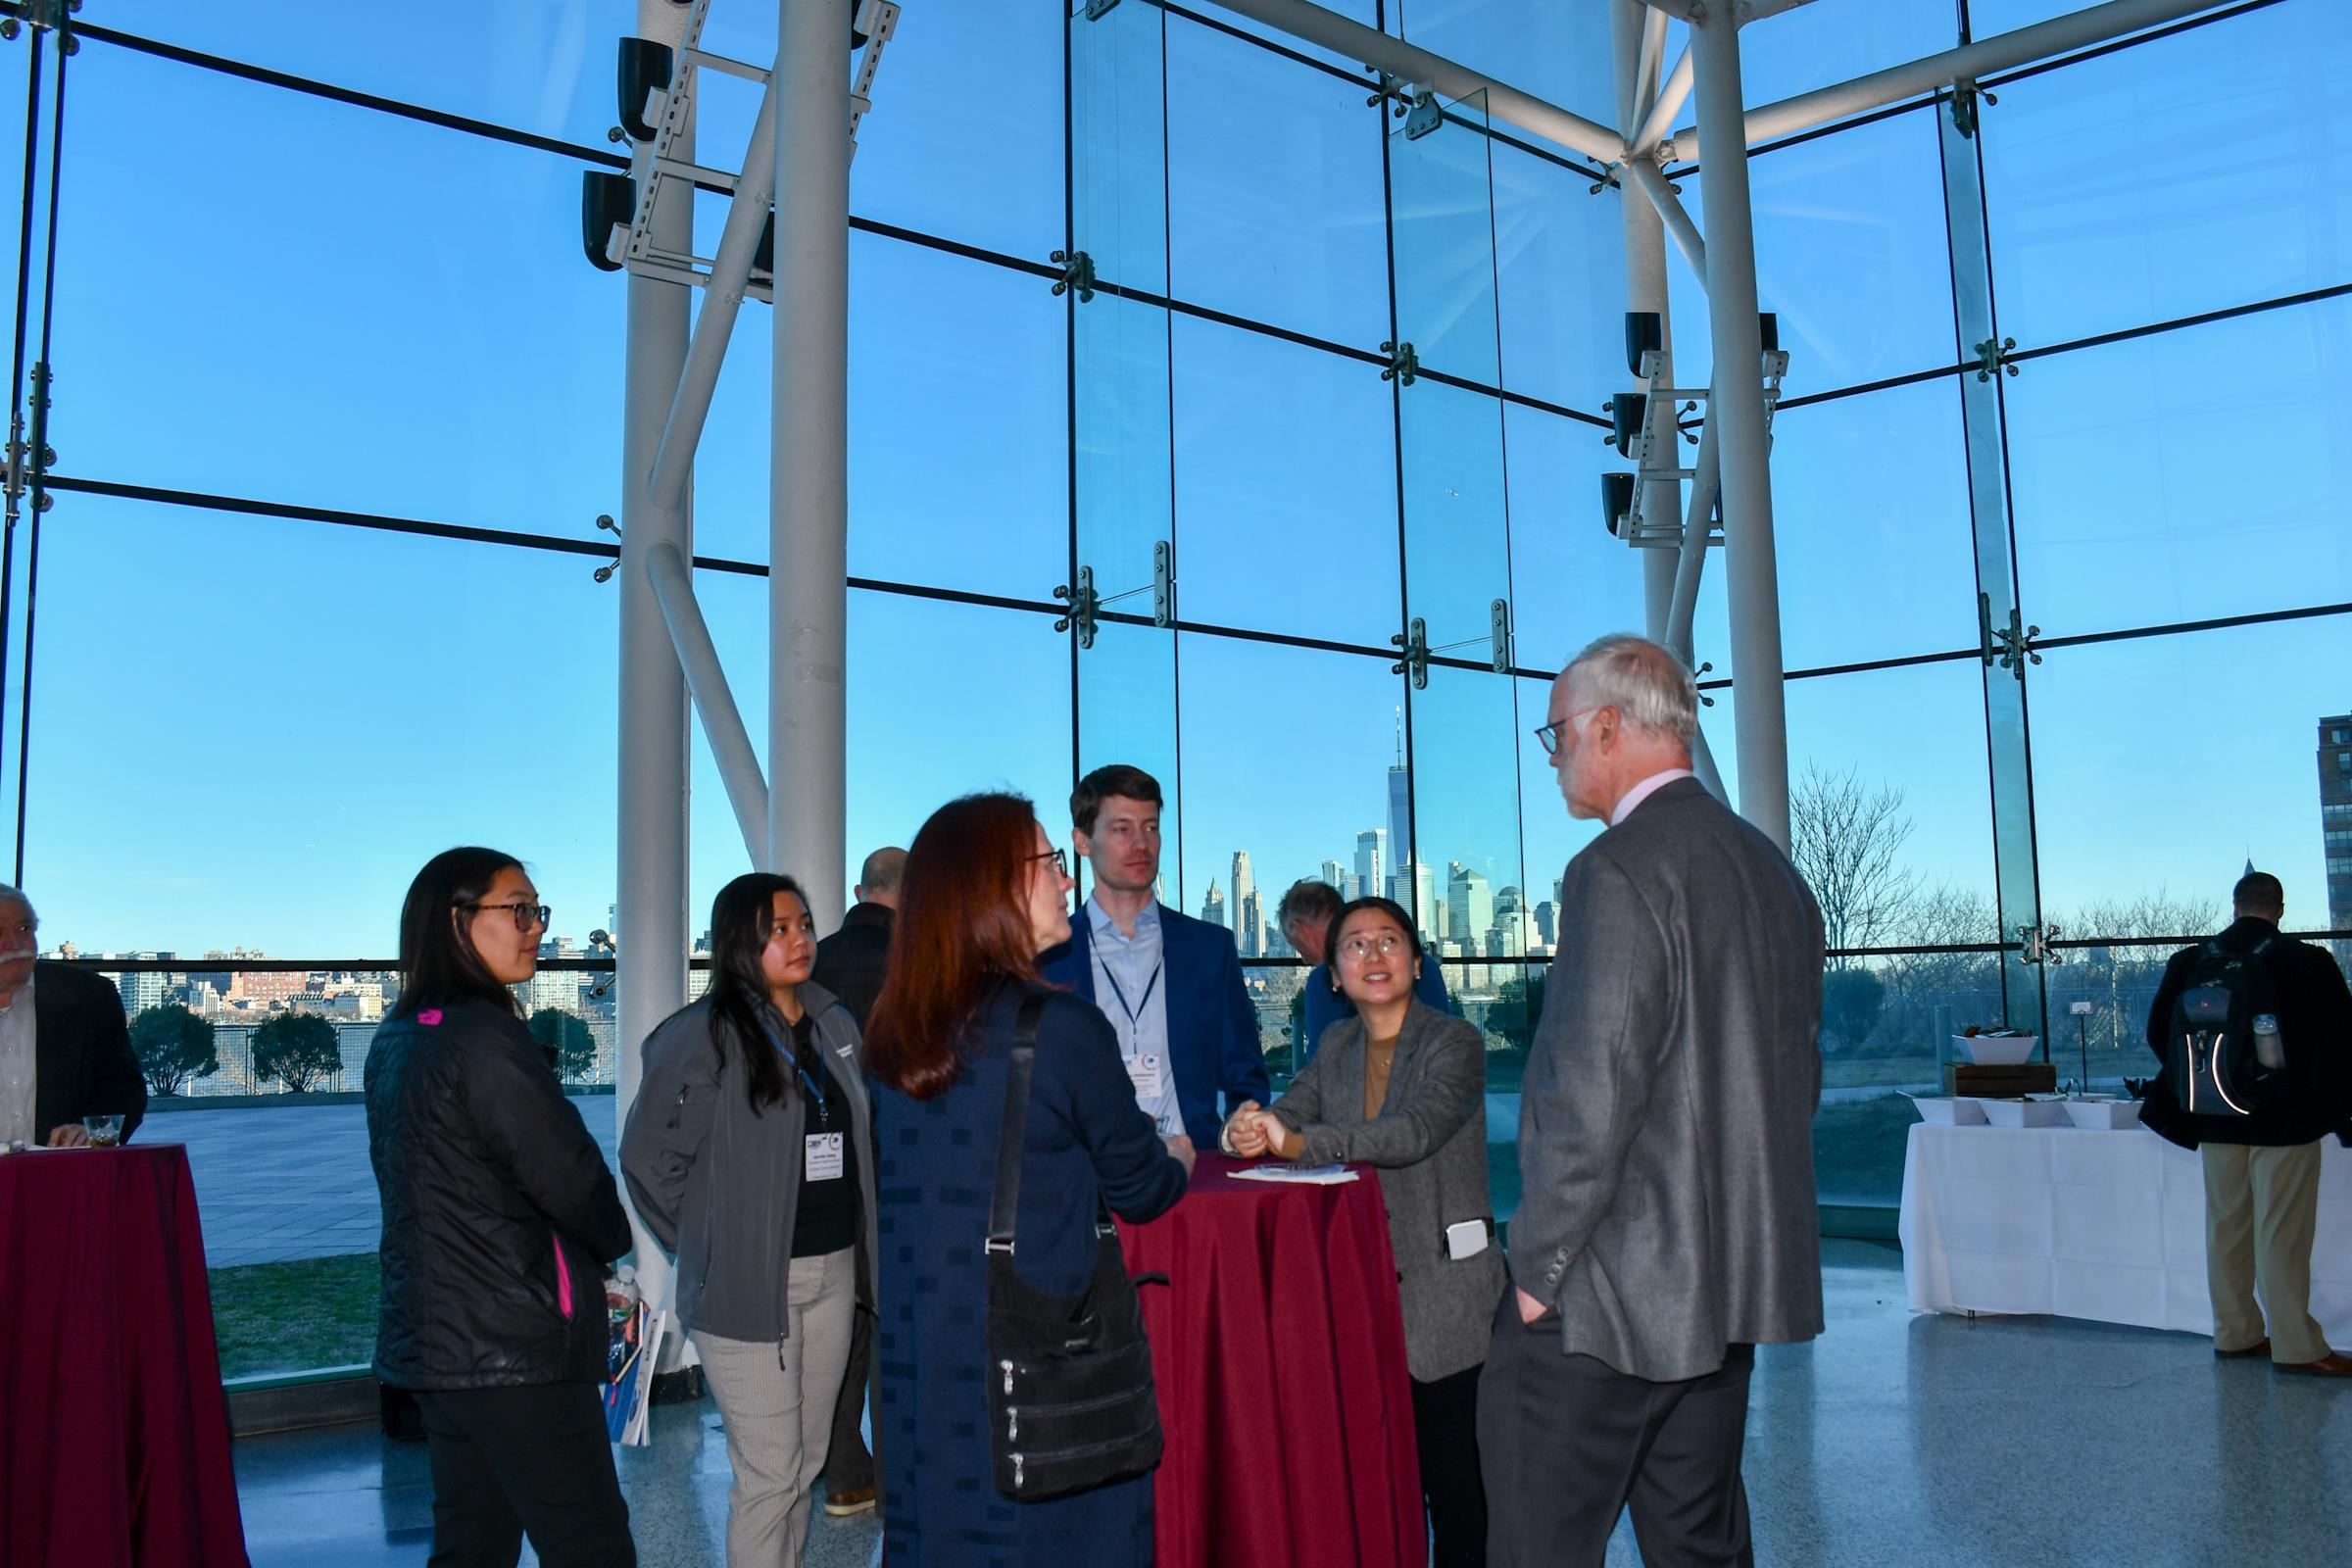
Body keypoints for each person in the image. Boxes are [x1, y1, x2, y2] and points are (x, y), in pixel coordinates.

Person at [1483, 635, 1825, 1568]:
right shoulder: (1773, 874)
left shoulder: (1617, 868)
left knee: (1537, 1546)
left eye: (1556, 735)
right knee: (1698, 1542)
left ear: (1606, 728)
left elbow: (1591, 1094)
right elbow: (1795, 1083)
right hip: (1722, 1294)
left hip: (1604, 1297)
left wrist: (1536, 1271)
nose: (1554, 758)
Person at [866, 792, 1194, 1567]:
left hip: (925, 1357)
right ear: (995, 887)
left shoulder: (895, 1030)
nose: (1063, 879)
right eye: (1048, 863)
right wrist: (1179, 1155)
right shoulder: (1060, 1027)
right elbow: (1141, 1186)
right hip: (1040, 1361)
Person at [365, 848, 636, 1568]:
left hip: (438, 1341)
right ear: (458, 921)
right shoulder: (485, 1036)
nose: (536, 927)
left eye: (537, 911)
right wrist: (610, 1236)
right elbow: (569, 1179)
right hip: (515, 1347)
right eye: (518, 910)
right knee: (591, 1546)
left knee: (472, 1543)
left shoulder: (399, 1035)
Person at [1226, 895, 1503, 1568]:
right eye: (1355, 945)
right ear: (1332, 974)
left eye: (1388, 941)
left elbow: (1411, 1133)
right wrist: (1246, 1129)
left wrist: (1297, 1142)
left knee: (1461, 1496)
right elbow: (1292, 1111)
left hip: (1448, 1305)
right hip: (1360, 1299)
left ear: (1416, 961)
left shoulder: (1455, 1042)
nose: (1373, 955)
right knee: (1379, 1492)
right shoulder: (1336, 1045)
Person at [622, 871, 878, 1561]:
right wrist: (710, 1242)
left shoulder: (833, 1022)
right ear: (740, 942)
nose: (800, 940)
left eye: (804, 925)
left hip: (834, 1271)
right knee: (770, 1474)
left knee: (806, 1462)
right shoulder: (701, 1036)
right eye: (778, 930)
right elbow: (648, 1160)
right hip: (746, 1284)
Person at [2141, 869, 2352, 1376]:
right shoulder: (2306, 961)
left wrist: (2207, 1087)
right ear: (2279, 911)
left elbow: (2158, 1033)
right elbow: (2342, 1040)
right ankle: (2297, 1347)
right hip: (2286, 1123)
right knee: (2281, 1232)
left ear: (2235, 907)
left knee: (2226, 1226)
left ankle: (2235, 1334)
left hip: (2214, 1118)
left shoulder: (2191, 961)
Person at [1041, 763, 1268, 1146]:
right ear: (1082, 841)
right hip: (1086, 1172)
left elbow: (1245, 1074)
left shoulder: (1210, 949)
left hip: (1196, 1163)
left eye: (1150, 827)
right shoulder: (1048, 958)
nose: (1141, 844)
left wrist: (1238, 1134)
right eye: (1122, 829)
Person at [808, 844, 905, 1520]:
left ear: (858, 891)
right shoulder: (922, 961)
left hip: (824, 1169)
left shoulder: (812, 963)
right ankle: (902, 1479)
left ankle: (843, 1474)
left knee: (840, 1319)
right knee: (895, 1320)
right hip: (898, 1166)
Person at [0, 884, 146, 1149]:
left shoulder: (89, 996)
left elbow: (124, 1090)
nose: (15, 944)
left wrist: (93, 1130)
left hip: (66, 1169)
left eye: (24, 928)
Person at [1277, 877, 1451, 1069]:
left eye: (1296, 945)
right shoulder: (1424, 963)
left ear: (1304, 930)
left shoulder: (1324, 979)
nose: (1304, 959)